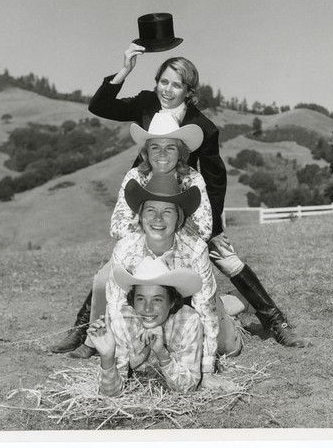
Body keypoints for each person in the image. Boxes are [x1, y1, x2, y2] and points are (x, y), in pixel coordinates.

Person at [50, 44, 306, 354]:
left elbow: (215, 178)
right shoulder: (146, 103)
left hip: (185, 198)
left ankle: (275, 322)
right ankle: (84, 330)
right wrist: (125, 70)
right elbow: (100, 106)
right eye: (164, 82)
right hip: (145, 192)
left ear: (189, 90)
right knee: (119, 260)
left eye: (177, 84)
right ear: (156, 81)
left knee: (225, 256)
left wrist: (215, 226)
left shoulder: (203, 127)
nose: (168, 90)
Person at [72, 174, 245, 393]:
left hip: (190, 305)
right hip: (147, 305)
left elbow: (205, 309)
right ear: (141, 216)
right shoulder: (125, 248)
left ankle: (237, 302)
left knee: (228, 346)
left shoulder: (196, 248)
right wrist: (121, 356)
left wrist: (206, 372)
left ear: (179, 218)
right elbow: (116, 308)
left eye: (168, 211)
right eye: (151, 210)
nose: (158, 219)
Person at [87, 256, 205, 396]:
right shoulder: (121, 322)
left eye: (157, 300)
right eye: (141, 299)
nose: (147, 308)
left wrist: (163, 355)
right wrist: (107, 357)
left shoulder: (189, 321)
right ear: (132, 300)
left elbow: (188, 388)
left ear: (172, 301)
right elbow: (111, 393)